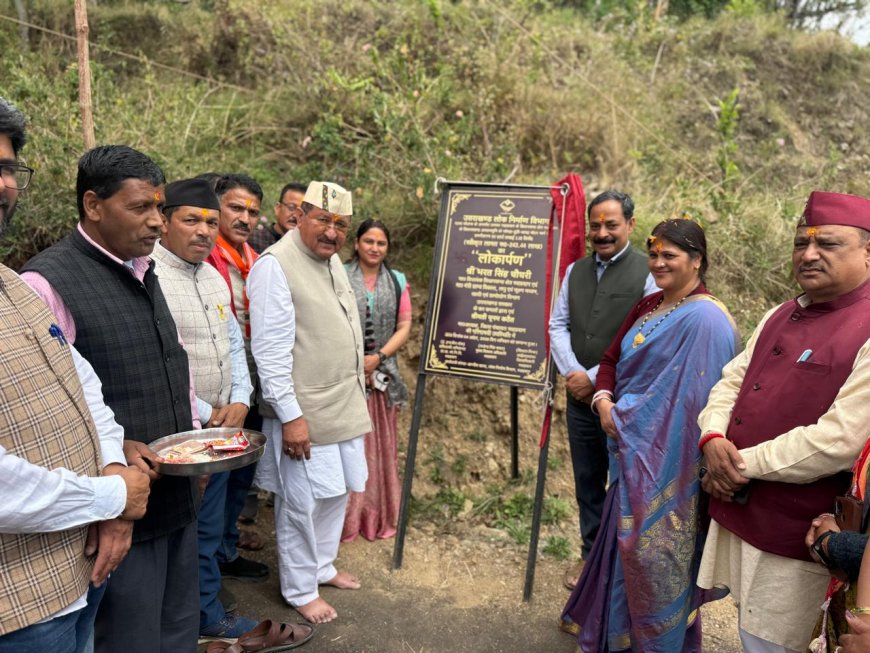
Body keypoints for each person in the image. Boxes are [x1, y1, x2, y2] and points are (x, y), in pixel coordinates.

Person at [21, 145, 202, 653]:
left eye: (159, 209)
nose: (156, 224)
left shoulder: (144, 269)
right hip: (114, 515)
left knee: (178, 627)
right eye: (140, 208)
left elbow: (170, 362)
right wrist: (114, 456)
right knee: (129, 636)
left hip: (174, 493)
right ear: (93, 205)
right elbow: (44, 406)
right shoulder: (45, 283)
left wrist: (198, 439)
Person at [0, 98, 150, 653]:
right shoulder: (48, 277)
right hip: (17, 612)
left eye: (7, 167)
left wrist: (113, 470)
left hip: (80, 574)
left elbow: (81, 382)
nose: (1, 184)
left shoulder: (12, 286)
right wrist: (110, 496)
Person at [697, 191, 870, 653]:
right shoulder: (780, 312)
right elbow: (729, 383)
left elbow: (839, 440)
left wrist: (734, 465)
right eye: (800, 243)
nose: (808, 254)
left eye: (827, 244)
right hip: (739, 507)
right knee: (747, 626)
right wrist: (712, 436)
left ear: (868, 252)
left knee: (772, 641)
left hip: (796, 528)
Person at [561, 219, 739, 651]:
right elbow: (610, 358)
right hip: (631, 455)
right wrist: (604, 399)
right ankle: (614, 636)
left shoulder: (706, 320)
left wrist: (619, 416)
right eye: (654, 254)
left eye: (670, 255)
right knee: (624, 553)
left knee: (654, 560)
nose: (658, 262)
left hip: (666, 472)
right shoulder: (651, 305)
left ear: (697, 261)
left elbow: (689, 406)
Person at [248, 180, 371, 624]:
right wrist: (292, 418)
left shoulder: (331, 259)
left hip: (342, 403)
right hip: (302, 411)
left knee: (337, 493)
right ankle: (300, 588)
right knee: (302, 502)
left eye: (340, 224)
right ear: (300, 215)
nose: (332, 233)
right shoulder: (275, 265)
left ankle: (321, 567)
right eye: (323, 220)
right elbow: (270, 351)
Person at [150, 178, 267, 640]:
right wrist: (207, 410)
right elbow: (160, 360)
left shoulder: (214, 276)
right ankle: (195, 618)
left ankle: (202, 612)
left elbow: (234, 345)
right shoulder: (150, 276)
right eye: (191, 220)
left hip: (221, 429)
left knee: (209, 526)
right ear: (164, 222)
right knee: (183, 531)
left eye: (210, 223)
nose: (204, 231)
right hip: (179, 431)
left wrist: (241, 399)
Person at [548, 189, 657, 587]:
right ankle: (589, 556)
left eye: (611, 224)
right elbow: (558, 324)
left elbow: (643, 336)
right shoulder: (575, 271)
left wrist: (594, 378)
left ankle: (620, 566)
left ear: (630, 225)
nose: (602, 232)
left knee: (623, 484)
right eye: (596, 225)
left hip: (620, 401)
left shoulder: (649, 273)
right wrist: (573, 372)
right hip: (578, 401)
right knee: (587, 480)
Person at [204, 173, 270, 582]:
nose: (245, 218)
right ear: (217, 207)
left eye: (253, 212)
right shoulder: (204, 253)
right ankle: (207, 564)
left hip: (254, 382)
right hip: (217, 386)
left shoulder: (257, 259)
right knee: (215, 479)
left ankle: (226, 550)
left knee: (241, 473)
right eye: (236, 207)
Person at [341, 219, 411, 542]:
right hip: (343, 377)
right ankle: (343, 521)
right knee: (347, 450)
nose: (374, 248)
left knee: (380, 451)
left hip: (382, 377)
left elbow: (404, 327)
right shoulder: (337, 275)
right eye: (368, 241)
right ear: (356, 243)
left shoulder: (397, 281)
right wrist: (356, 362)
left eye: (381, 243)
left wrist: (377, 358)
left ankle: (376, 517)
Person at [248, 182, 305, 254]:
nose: (295, 215)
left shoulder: (304, 247)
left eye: (301, 211)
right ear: (278, 208)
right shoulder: (255, 239)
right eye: (291, 207)